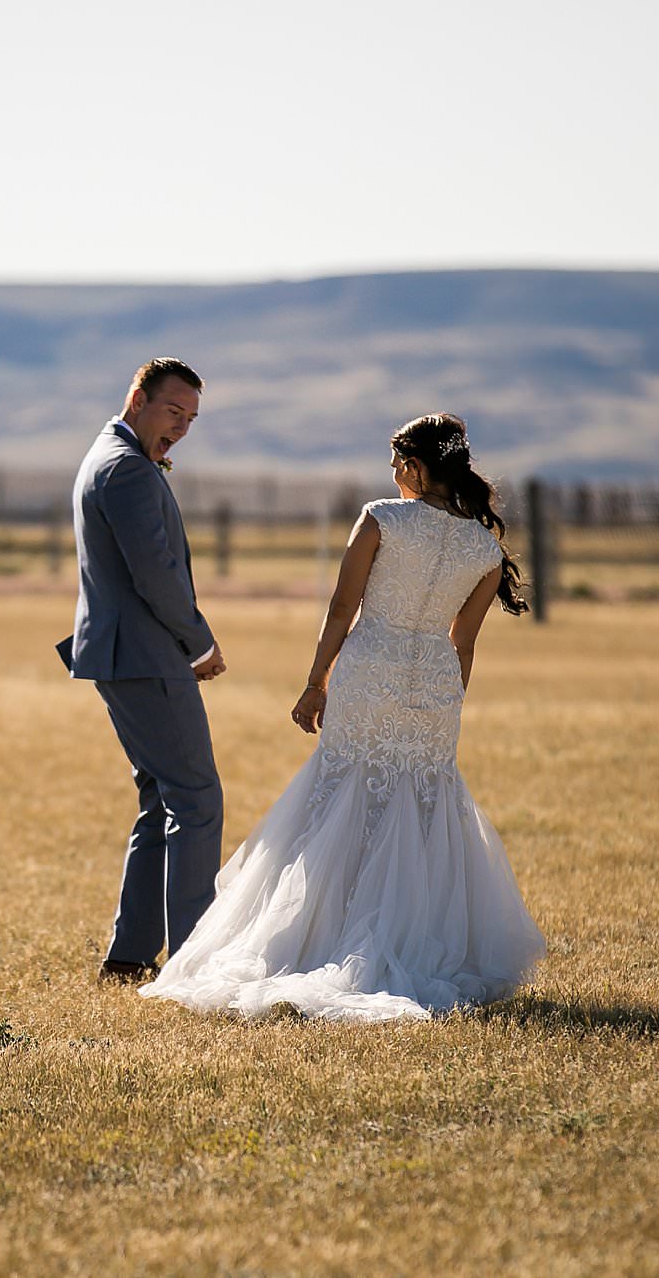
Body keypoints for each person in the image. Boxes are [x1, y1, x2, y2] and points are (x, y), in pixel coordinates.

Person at [141, 412, 546, 1022]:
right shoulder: (484, 547)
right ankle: (407, 940)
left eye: (396, 462)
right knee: (421, 802)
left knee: (344, 793)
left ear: (414, 465)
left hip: (371, 667)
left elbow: (342, 606)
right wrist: (444, 699)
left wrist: (314, 683)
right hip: (434, 687)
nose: (392, 474)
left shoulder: (382, 517)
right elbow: (465, 642)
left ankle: (323, 941)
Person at [58, 357, 228, 985]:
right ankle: (191, 962)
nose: (181, 427)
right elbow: (153, 573)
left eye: (190, 418)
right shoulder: (126, 468)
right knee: (196, 798)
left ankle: (130, 956)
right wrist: (199, 642)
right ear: (138, 397)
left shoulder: (111, 454)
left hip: (125, 653)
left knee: (162, 800)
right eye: (172, 411)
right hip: (146, 654)